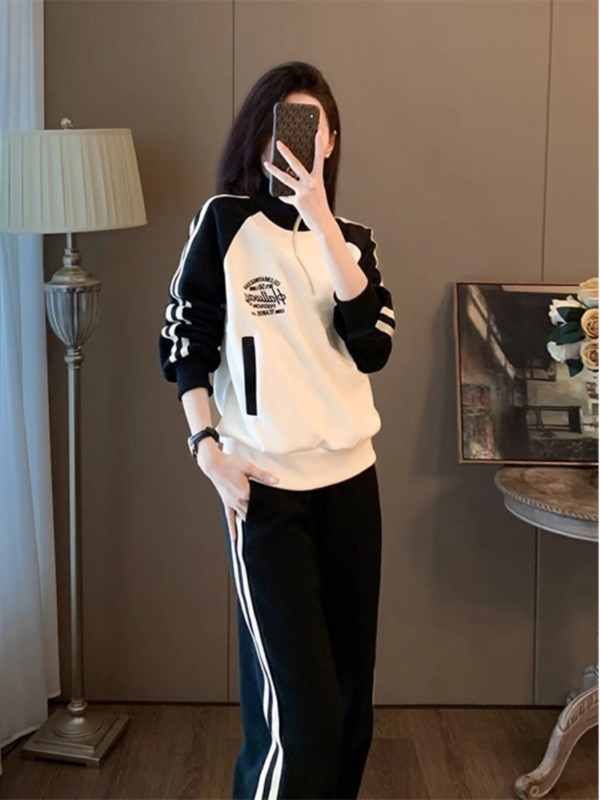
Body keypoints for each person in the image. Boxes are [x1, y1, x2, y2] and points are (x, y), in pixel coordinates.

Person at [158, 60, 395, 800]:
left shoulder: (352, 240)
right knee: (299, 719)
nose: (291, 142)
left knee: (351, 708)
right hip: (266, 494)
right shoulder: (225, 223)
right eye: (279, 127)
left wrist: (322, 221)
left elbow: (373, 345)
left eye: (308, 128)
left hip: (352, 490)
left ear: (330, 141)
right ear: (258, 138)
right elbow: (185, 342)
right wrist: (206, 450)